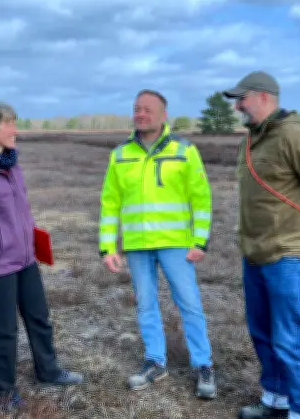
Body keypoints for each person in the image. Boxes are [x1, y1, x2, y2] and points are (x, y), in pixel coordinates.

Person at [0, 99, 84, 412]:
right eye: (10, 124)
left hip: (25, 260)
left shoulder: (9, 163)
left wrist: (34, 243)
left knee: (39, 319)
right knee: (5, 330)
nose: (16, 130)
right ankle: (2, 391)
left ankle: (48, 371)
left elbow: (19, 213)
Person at [222, 71, 300, 419]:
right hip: (255, 254)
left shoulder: (294, 136)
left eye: (241, 98)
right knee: (262, 332)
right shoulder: (250, 142)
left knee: (289, 338)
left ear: (263, 97)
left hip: (288, 254)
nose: (238, 106)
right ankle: (276, 401)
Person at [98, 89, 217, 398]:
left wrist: (200, 241)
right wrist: (108, 246)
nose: (141, 114)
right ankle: (155, 362)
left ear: (164, 115)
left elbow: (201, 199)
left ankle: (203, 365)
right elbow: (110, 204)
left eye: (148, 109)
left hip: (177, 244)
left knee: (189, 304)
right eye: (137, 109)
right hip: (137, 245)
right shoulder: (120, 154)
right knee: (146, 304)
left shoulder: (184, 150)